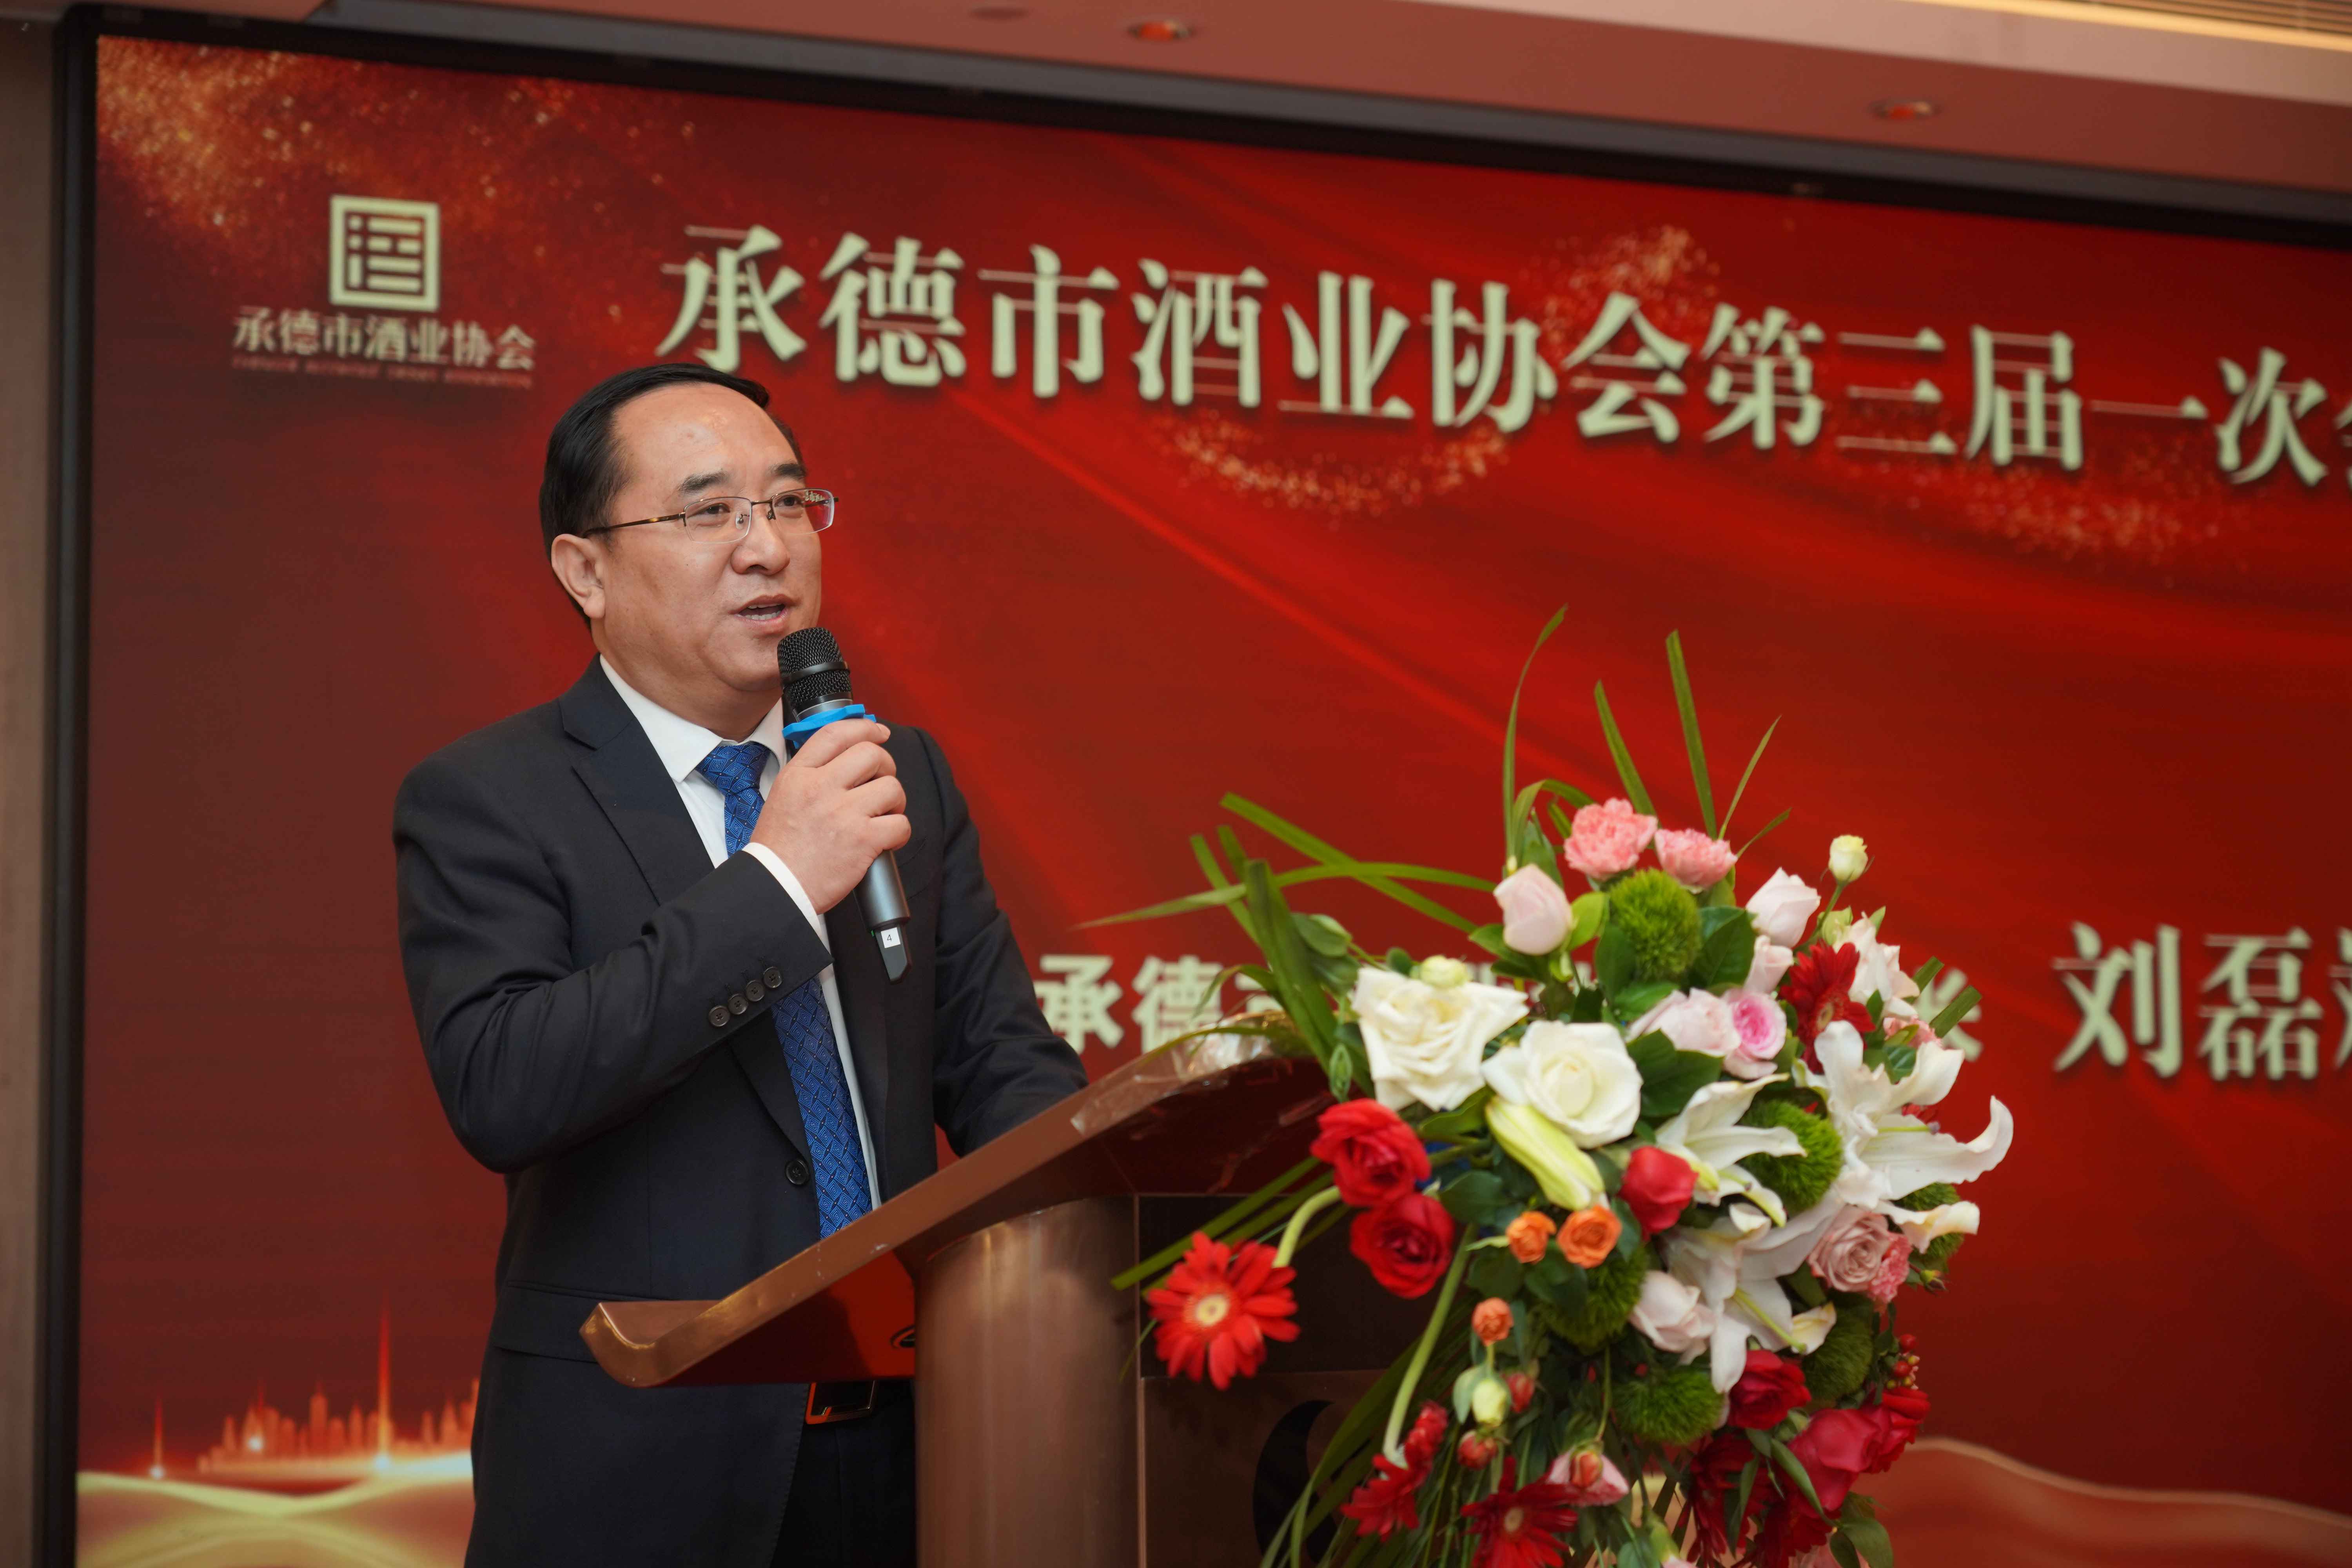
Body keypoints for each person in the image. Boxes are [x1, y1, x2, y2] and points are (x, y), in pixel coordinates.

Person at [393, 362, 1087, 1567]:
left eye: (789, 504)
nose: (767, 548)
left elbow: (1000, 1068)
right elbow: (506, 1085)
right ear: (585, 570)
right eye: (709, 511)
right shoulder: (488, 798)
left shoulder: (895, 775)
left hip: (919, 1447)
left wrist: (1121, 1214)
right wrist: (777, 882)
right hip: (642, 1463)